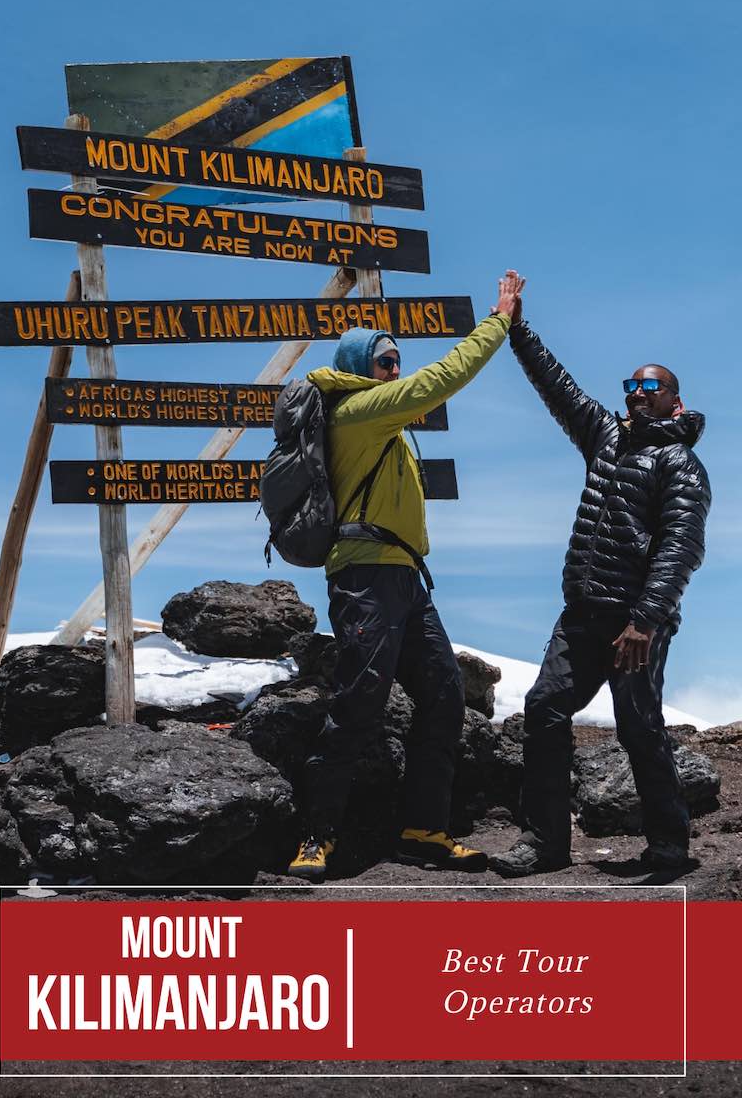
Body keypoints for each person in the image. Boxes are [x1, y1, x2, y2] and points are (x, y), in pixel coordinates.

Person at [288, 272, 524, 881]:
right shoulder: (359, 410)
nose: (396, 369)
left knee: (444, 692)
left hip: (404, 581)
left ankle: (424, 829)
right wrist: (499, 320)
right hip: (365, 580)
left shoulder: (381, 427)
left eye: (397, 361)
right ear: (361, 367)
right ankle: (317, 835)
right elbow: (442, 379)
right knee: (358, 702)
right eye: (387, 360)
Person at [491, 273, 711, 878]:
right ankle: (546, 843)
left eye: (650, 385)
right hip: (582, 611)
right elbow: (558, 388)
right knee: (544, 708)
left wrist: (645, 621)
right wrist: (516, 328)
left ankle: (669, 845)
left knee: (640, 728)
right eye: (631, 385)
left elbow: (681, 548)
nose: (637, 393)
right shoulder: (606, 438)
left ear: (674, 401)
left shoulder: (679, 464)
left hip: (635, 622)